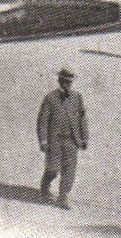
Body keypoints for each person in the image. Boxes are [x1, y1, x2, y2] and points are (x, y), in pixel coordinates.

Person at [37, 67, 88, 209]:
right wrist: (43, 140)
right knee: (53, 168)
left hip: (71, 140)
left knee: (69, 170)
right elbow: (43, 120)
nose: (67, 84)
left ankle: (63, 196)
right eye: (64, 81)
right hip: (55, 140)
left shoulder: (77, 98)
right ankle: (45, 183)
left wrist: (84, 138)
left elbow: (82, 119)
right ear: (60, 81)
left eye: (69, 82)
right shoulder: (50, 98)